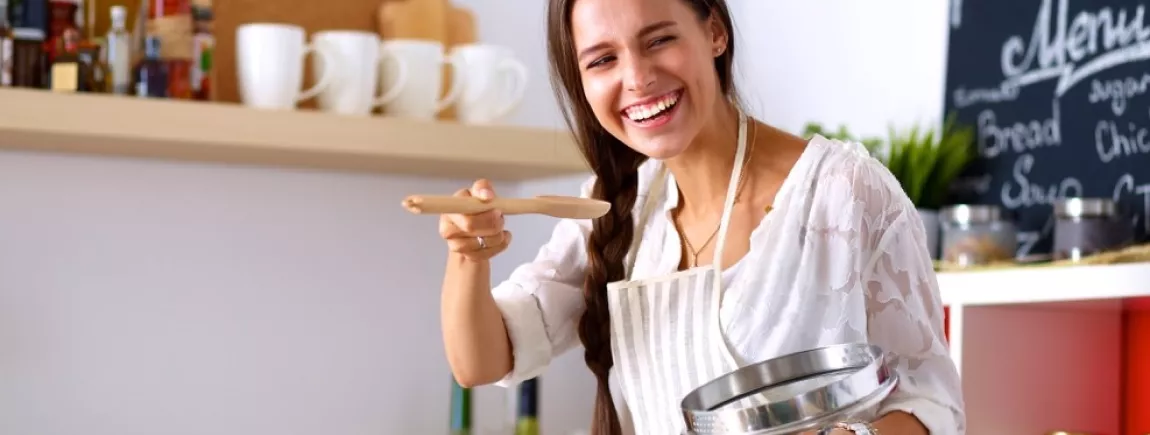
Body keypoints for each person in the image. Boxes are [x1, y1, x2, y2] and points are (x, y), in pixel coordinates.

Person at [437, 0, 966, 433]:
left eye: (659, 39)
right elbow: (482, 361)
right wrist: (467, 256)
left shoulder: (841, 193)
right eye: (602, 60)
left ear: (714, 32)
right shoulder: (611, 206)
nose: (638, 78)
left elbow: (933, 403)